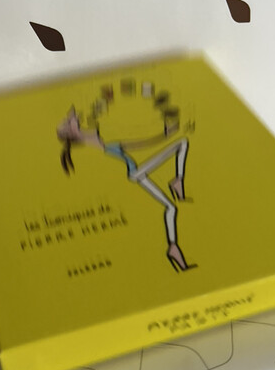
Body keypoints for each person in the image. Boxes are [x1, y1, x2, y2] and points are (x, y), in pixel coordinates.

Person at [57, 106, 195, 272]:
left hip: (135, 173)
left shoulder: (95, 140)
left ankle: (172, 247)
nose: (76, 118)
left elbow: (137, 144)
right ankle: (178, 180)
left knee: (171, 207)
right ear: (71, 132)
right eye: (70, 121)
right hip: (135, 172)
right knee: (182, 143)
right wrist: (166, 135)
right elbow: (141, 144)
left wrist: (164, 134)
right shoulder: (100, 141)